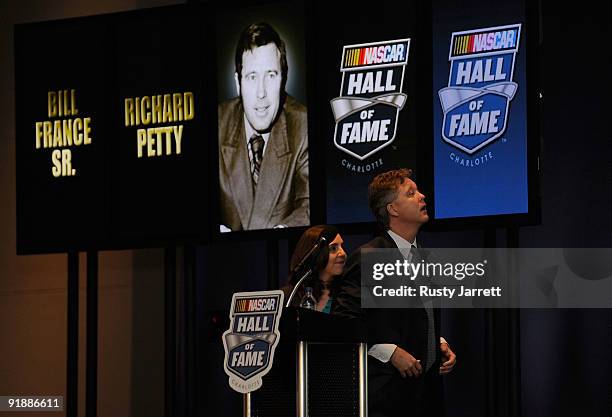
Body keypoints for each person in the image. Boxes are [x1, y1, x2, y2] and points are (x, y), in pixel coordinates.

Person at [334, 168, 457, 417]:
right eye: (411, 193)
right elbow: (344, 324)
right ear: (393, 209)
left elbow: (418, 318)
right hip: (387, 397)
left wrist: (439, 343)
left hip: (428, 395)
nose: (422, 196)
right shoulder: (368, 257)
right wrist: (389, 352)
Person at [218, 22, 309, 232]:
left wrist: (281, 230)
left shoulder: (303, 125)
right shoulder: (217, 123)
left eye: (270, 75)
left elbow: (309, 204)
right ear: (237, 83)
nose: (261, 93)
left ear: (283, 79)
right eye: (252, 77)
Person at [282, 225, 346, 312]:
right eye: (333, 248)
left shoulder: (347, 292)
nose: (343, 253)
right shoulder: (289, 295)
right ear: (314, 255)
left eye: (342, 246)